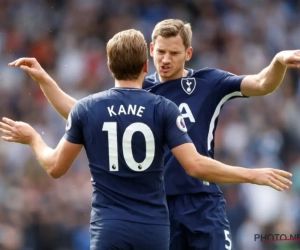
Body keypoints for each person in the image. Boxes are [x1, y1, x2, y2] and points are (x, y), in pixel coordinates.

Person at [7, 18, 299, 250]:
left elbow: (261, 84)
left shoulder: (210, 82)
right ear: (150, 50)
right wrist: (46, 81)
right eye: (160, 52)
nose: (166, 60)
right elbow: (83, 114)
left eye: (174, 53)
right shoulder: (141, 91)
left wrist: (277, 62)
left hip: (203, 201)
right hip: (159, 208)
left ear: (189, 53)